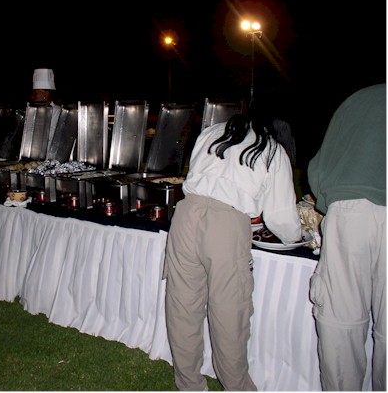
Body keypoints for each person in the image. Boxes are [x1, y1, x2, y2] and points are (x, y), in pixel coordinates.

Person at [163, 108, 302, 390]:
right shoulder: (272, 149)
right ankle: (237, 387)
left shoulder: (212, 132)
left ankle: (189, 385)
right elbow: (281, 219)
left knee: (182, 309)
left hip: (186, 216)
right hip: (226, 226)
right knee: (229, 314)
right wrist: (300, 237)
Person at [308, 83, 386, 391]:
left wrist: (327, 202)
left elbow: (319, 168)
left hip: (350, 212)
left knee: (341, 321)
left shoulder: (358, 99)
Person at [30, 68, 61, 154]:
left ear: (45, 94)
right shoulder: (33, 111)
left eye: (36, 93)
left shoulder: (57, 111)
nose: (33, 96)